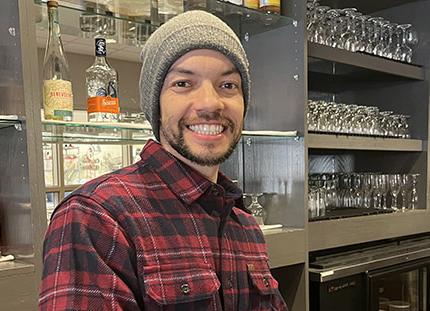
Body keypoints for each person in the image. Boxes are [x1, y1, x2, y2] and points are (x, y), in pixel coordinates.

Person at [39, 10, 288, 311]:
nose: (211, 103)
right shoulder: (97, 217)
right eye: (183, 83)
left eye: (228, 85)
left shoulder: (244, 224)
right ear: (155, 105)